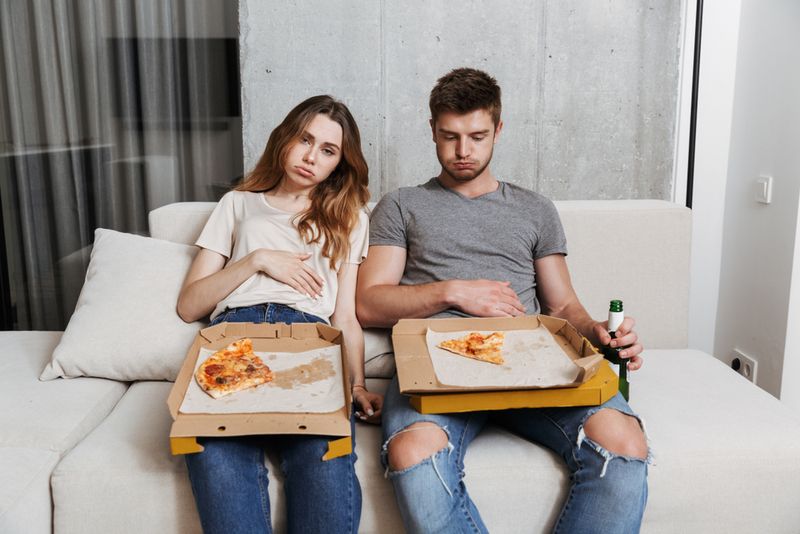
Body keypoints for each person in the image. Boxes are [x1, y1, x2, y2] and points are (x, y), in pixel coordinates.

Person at [356, 68, 650, 533]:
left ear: (499, 128)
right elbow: (370, 304)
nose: (463, 151)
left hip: (531, 363)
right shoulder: (401, 205)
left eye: (477, 135)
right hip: (436, 367)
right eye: (450, 137)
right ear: (432, 130)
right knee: (412, 450)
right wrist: (453, 291)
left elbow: (563, 307)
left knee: (624, 440)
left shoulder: (535, 208)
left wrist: (596, 331)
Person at [177, 95, 382, 534]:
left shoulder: (351, 217)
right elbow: (190, 304)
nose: (311, 157)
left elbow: (344, 315)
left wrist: (357, 383)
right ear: (285, 139)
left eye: (328, 150)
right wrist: (256, 260)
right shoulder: (238, 203)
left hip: (309, 340)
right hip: (233, 335)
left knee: (324, 460)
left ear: (339, 164)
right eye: (305, 140)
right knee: (214, 454)